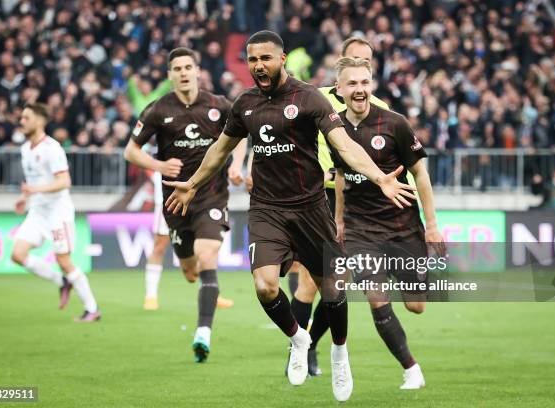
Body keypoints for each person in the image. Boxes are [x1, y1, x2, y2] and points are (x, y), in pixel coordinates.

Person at [163, 31, 416, 402]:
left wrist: (379, 177)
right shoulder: (245, 103)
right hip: (267, 209)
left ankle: (339, 354)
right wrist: (193, 183)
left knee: (332, 288)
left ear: (281, 59)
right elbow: (220, 149)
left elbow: (343, 143)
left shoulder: (309, 97)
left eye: (265, 58)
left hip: (311, 208)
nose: (258, 66)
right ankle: (298, 338)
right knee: (265, 286)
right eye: (252, 60)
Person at [124, 47, 246, 363]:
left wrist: (237, 166)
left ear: (197, 70)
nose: (183, 72)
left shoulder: (219, 105)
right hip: (176, 202)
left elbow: (243, 134)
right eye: (176, 68)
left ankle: (203, 332)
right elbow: (131, 151)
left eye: (187, 67)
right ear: (170, 75)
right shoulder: (157, 110)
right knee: (190, 271)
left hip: (211, 196)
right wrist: (158, 165)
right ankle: (203, 288)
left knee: (208, 258)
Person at [331, 57, 445, 389]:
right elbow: (340, 176)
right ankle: (411, 369)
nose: (359, 89)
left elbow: (420, 174)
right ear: (339, 90)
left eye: (364, 82)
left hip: (403, 227)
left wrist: (432, 225)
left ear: (372, 86)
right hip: (360, 229)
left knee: (416, 305)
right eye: (352, 84)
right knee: (376, 297)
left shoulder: (395, 124)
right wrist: (338, 220)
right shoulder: (333, 127)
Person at [287, 35, 392, 377]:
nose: (362, 66)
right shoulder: (316, 100)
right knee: (309, 281)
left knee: (338, 282)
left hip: (356, 202)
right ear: (341, 66)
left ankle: (313, 346)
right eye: (355, 60)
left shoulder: (381, 110)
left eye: (368, 62)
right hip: (319, 196)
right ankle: (297, 351)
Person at [11, 103, 101, 322]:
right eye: (22, 117)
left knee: (64, 261)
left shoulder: (52, 148)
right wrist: (25, 198)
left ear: (40, 121)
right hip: (37, 211)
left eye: (26, 117)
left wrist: (34, 190)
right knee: (17, 255)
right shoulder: (25, 149)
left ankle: (92, 309)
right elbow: (34, 181)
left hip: (57, 212)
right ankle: (61, 281)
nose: (21, 121)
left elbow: (64, 181)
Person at [143, 164, 236, 311]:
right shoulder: (164, 144)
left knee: (204, 249)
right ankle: (151, 296)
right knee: (159, 245)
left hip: (196, 198)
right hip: (167, 199)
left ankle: (211, 292)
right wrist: (160, 167)